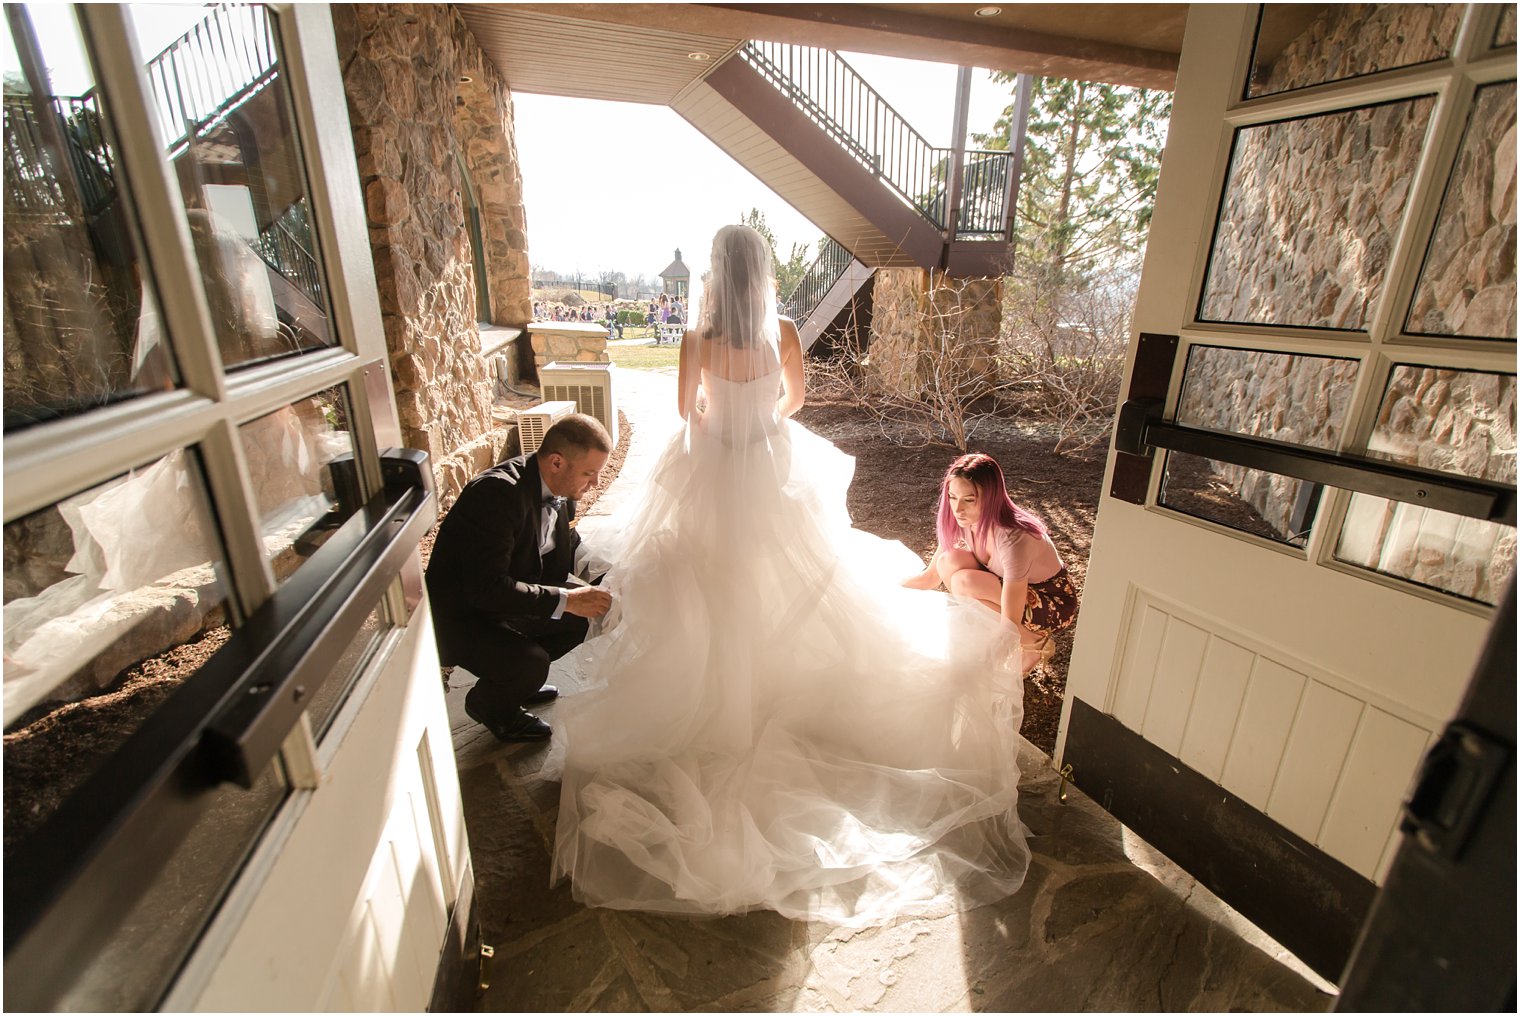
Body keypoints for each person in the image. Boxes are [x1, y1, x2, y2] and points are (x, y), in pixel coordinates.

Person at [551, 225, 1028, 926]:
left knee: (711, 587)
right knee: (796, 580)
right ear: (764, 275)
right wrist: (763, 417)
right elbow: (797, 401)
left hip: (715, 462)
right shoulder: (781, 330)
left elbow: (688, 412)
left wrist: (722, 421)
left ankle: (725, 700)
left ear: (715, 275)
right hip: (773, 462)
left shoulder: (697, 339)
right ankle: (791, 690)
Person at [426, 414, 613, 742]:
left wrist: (607, 577)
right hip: (461, 616)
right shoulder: (497, 495)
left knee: (583, 618)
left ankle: (514, 682)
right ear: (557, 462)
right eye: (589, 473)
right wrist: (567, 599)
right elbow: (484, 589)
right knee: (532, 661)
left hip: (505, 601)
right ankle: (491, 705)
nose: (595, 483)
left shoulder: (557, 490)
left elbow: (568, 546)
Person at [903, 453, 1079, 673]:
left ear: (991, 498)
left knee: (965, 582)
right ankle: (998, 638)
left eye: (969, 500)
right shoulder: (962, 519)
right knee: (949, 561)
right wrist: (879, 591)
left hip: (1052, 601)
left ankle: (1033, 645)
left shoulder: (1012, 538)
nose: (957, 509)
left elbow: (1009, 624)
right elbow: (929, 578)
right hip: (1009, 586)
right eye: (952, 497)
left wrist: (978, 671)